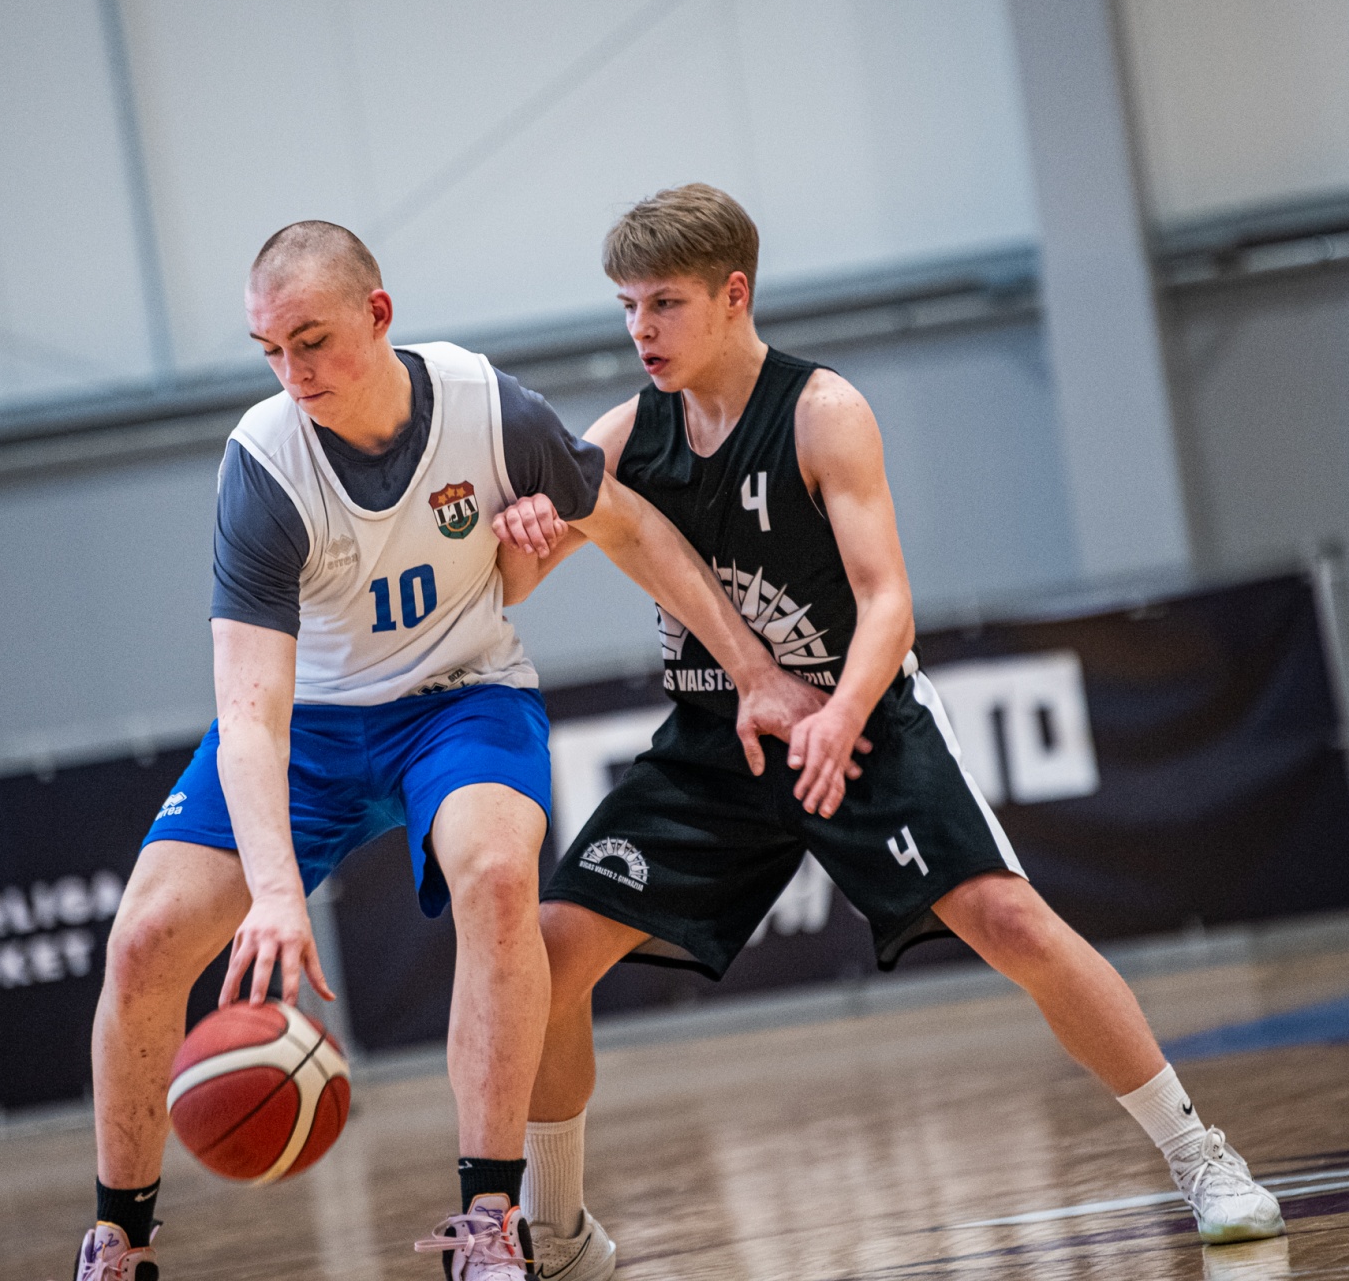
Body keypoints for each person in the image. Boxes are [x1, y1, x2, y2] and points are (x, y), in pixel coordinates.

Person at [488, 185, 1287, 1276]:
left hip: (855, 717)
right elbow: (517, 580)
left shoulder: (823, 412)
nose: (641, 330)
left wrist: (841, 716)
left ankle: (1202, 1157)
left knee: (1009, 920)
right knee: (546, 955)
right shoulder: (626, 434)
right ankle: (560, 1231)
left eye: (664, 304)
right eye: (628, 306)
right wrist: (531, 522)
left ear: (733, 294)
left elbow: (887, 603)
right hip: (719, 739)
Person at [71, 222, 828, 1281]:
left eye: (311, 341)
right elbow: (248, 712)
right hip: (313, 725)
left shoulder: (487, 409)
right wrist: (277, 895)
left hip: (461, 699)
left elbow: (630, 526)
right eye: (270, 350)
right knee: (147, 938)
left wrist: (752, 669)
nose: (292, 372)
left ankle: (490, 1224)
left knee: (499, 876)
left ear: (378, 316)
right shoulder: (265, 464)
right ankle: (120, 1240)